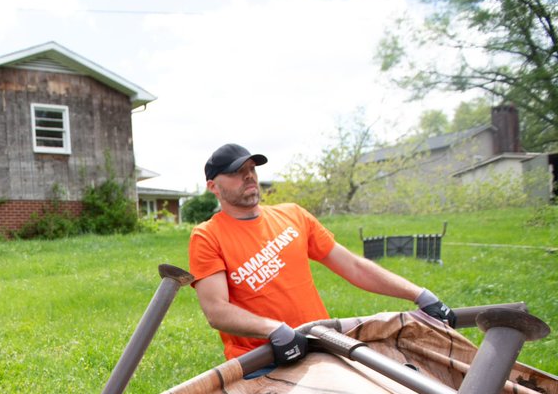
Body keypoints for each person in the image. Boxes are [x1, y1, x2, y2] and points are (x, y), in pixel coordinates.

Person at [188, 143, 456, 365]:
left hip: (321, 343)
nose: (248, 176)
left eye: (251, 169)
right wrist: (273, 330)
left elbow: (354, 266)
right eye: (236, 172)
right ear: (213, 187)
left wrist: (419, 295)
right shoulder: (208, 236)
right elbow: (217, 310)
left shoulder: (292, 215)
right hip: (262, 360)